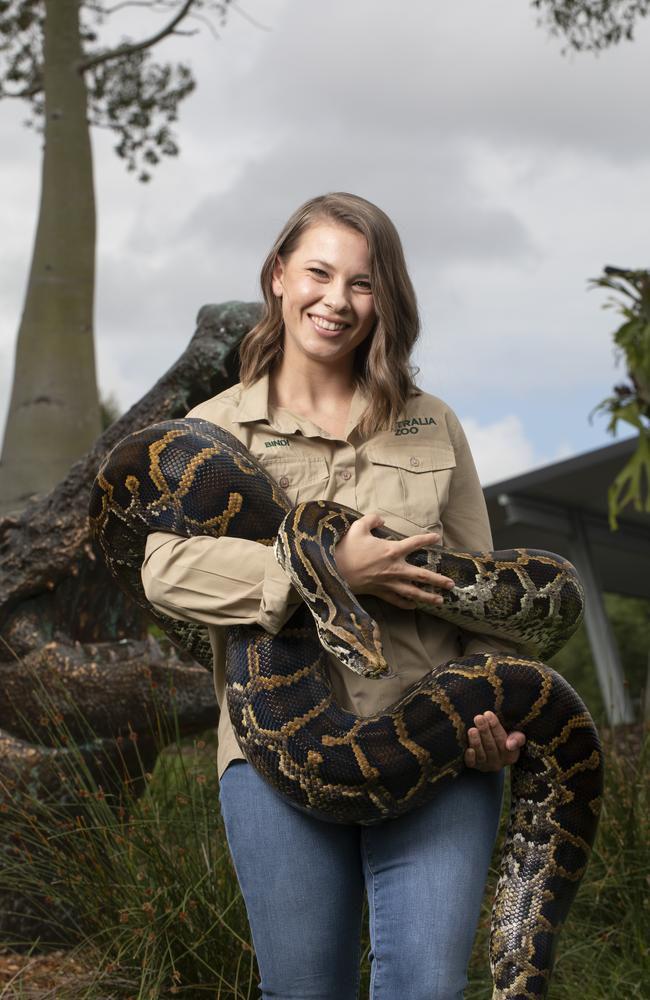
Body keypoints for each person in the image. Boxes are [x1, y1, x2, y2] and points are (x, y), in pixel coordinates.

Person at [141, 192, 526, 1000]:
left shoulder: (431, 423)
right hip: (273, 756)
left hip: (439, 744)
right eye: (319, 273)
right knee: (305, 988)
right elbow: (165, 573)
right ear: (279, 276)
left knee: (426, 985)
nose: (337, 301)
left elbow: (487, 596)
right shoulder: (213, 431)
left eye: (362, 282)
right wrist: (324, 575)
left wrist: (497, 710)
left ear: (385, 297)